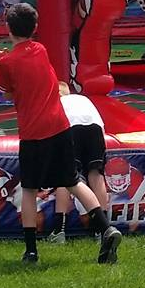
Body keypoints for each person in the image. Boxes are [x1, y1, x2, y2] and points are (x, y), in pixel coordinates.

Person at [0, 3, 121, 265]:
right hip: (60, 127)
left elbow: (7, 91)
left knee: (29, 189)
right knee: (73, 180)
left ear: (8, 29)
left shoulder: (8, 62)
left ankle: (31, 251)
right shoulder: (40, 50)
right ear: (35, 27)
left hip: (33, 132)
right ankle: (106, 227)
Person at [48, 82, 109, 243]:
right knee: (96, 174)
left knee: (66, 176)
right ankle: (103, 228)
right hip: (94, 128)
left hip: (72, 128)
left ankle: (59, 229)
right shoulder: (83, 99)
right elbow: (101, 126)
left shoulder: (57, 103)